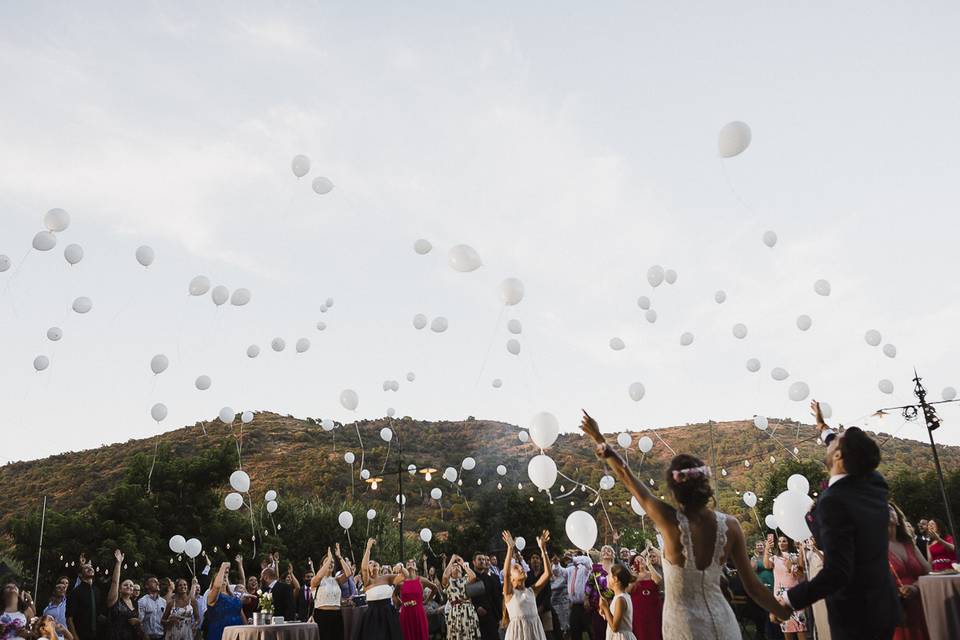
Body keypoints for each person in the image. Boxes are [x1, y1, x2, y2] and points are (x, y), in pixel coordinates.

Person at [579, 411, 791, 640]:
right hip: (724, 624)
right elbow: (754, 587)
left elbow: (625, 475)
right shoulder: (731, 526)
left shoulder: (669, 522)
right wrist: (782, 611)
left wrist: (600, 440)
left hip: (684, 629)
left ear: (673, 489)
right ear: (705, 484)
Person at [779, 401, 901, 640]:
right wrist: (822, 426)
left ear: (838, 455)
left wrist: (789, 600)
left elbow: (837, 572)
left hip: (856, 618)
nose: (830, 441)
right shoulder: (874, 485)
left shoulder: (834, 502)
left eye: (835, 441)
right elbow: (848, 450)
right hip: (884, 606)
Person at [888, 503, 931, 640]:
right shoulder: (872, 548)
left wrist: (914, 588)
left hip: (920, 603)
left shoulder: (909, 544)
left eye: (890, 508)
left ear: (898, 518)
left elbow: (928, 572)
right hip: (896, 608)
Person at [502, 530, 550, 640]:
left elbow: (548, 573)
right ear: (512, 579)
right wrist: (510, 549)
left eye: (521, 567)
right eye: (516, 568)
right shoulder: (509, 593)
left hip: (535, 633)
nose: (521, 568)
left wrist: (543, 549)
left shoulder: (532, 591)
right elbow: (506, 574)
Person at [353, 538, 403, 639]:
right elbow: (363, 568)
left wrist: (401, 567)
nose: (373, 563)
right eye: (370, 563)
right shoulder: (367, 581)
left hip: (389, 614)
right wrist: (368, 548)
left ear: (380, 567)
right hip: (373, 616)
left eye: (375, 562)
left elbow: (403, 578)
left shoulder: (387, 577)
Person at [764, 536, 806, 639]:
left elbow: (801, 575)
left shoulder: (795, 556)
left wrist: (791, 566)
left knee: (800, 626)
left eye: (784, 541)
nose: (781, 543)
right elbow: (767, 566)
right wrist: (766, 549)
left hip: (795, 594)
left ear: (788, 543)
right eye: (779, 541)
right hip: (780, 597)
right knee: (786, 627)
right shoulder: (774, 558)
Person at [442, 554, 480, 640]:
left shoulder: (466, 579)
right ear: (450, 571)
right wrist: (451, 561)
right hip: (455, 613)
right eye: (453, 566)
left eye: (458, 566)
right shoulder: (448, 582)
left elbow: (473, 577)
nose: (456, 567)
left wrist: (463, 564)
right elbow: (444, 576)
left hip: (468, 611)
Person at [397, 561, 438, 640]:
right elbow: (394, 595)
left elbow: (435, 588)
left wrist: (426, 601)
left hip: (418, 612)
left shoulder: (421, 580)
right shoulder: (401, 583)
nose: (410, 564)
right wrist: (400, 603)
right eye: (408, 563)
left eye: (413, 563)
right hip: (405, 613)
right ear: (406, 567)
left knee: (420, 634)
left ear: (416, 567)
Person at [311, 548, 344, 640]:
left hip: (337, 615)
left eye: (333, 562)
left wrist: (339, 557)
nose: (331, 563)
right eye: (328, 561)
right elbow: (320, 576)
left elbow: (348, 573)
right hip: (322, 615)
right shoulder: (315, 580)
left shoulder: (336, 580)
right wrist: (329, 559)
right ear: (322, 565)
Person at [106, 551, 140, 640]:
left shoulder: (136, 603)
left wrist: (138, 622)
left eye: (131, 585)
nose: (129, 586)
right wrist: (118, 563)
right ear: (120, 589)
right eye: (125, 585)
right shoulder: (114, 601)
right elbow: (115, 582)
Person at [628, 548, 662, 640]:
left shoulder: (651, 573)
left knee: (655, 630)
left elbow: (658, 580)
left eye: (641, 559)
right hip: (638, 609)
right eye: (637, 560)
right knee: (640, 632)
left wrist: (649, 565)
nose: (640, 561)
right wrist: (634, 578)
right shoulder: (633, 576)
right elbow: (627, 590)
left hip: (653, 608)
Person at [205, 563, 245, 640]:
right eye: (221, 576)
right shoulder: (211, 596)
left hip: (238, 633)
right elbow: (217, 587)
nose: (224, 576)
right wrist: (223, 567)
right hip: (220, 633)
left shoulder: (233, 596)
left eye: (225, 576)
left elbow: (241, 613)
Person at [599, 564, 637, 640]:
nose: (607, 578)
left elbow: (615, 627)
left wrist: (606, 608)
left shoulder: (620, 599)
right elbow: (615, 619)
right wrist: (605, 613)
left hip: (620, 637)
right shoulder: (620, 597)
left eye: (609, 575)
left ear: (615, 579)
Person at [586, 545, 617, 640]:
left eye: (609, 550)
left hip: (614, 604)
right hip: (598, 606)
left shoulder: (616, 569)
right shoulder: (595, 568)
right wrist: (586, 598)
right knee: (599, 632)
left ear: (613, 555)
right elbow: (589, 584)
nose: (606, 552)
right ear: (600, 554)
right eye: (604, 550)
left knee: (613, 632)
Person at [470, 554, 502, 640]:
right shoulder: (471, 579)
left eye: (484, 560)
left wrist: (499, 617)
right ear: (474, 562)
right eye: (479, 559)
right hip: (476, 618)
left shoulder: (491, 579)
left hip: (491, 617)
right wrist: (477, 608)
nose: (482, 561)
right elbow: (469, 598)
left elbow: (496, 598)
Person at [66, 557, 99, 640]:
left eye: (91, 567)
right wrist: (75, 637)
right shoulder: (75, 592)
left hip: (97, 635)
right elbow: (69, 618)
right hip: (81, 635)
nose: (90, 569)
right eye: (86, 568)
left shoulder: (97, 591)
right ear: (80, 574)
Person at [566, 553, 592, 640]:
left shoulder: (586, 568)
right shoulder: (571, 569)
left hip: (586, 605)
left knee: (591, 631)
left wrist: (574, 558)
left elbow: (587, 561)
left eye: (577, 556)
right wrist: (556, 564)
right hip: (575, 605)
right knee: (575, 631)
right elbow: (560, 572)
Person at [549, 555, 571, 637]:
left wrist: (556, 564)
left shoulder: (565, 571)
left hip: (564, 603)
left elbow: (558, 571)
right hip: (554, 604)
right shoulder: (548, 574)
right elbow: (555, 571)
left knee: (566, 626)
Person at [137, 575, 165, 640]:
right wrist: (144, 635)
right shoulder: (142, 601)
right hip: (147, 637)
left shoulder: (164, 602)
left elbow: (165, 619)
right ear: (147, 586)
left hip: (162, 636)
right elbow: (139, 621)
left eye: (157, 582)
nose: (158, 583)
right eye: (154, 582)